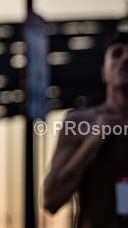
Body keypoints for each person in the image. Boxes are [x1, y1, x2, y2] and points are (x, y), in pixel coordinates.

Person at [43, 31, 128, 226]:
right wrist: (93, 141)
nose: (126, 58)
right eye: (117, 54)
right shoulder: (80, 122)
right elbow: (50, 200)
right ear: (104, 73)